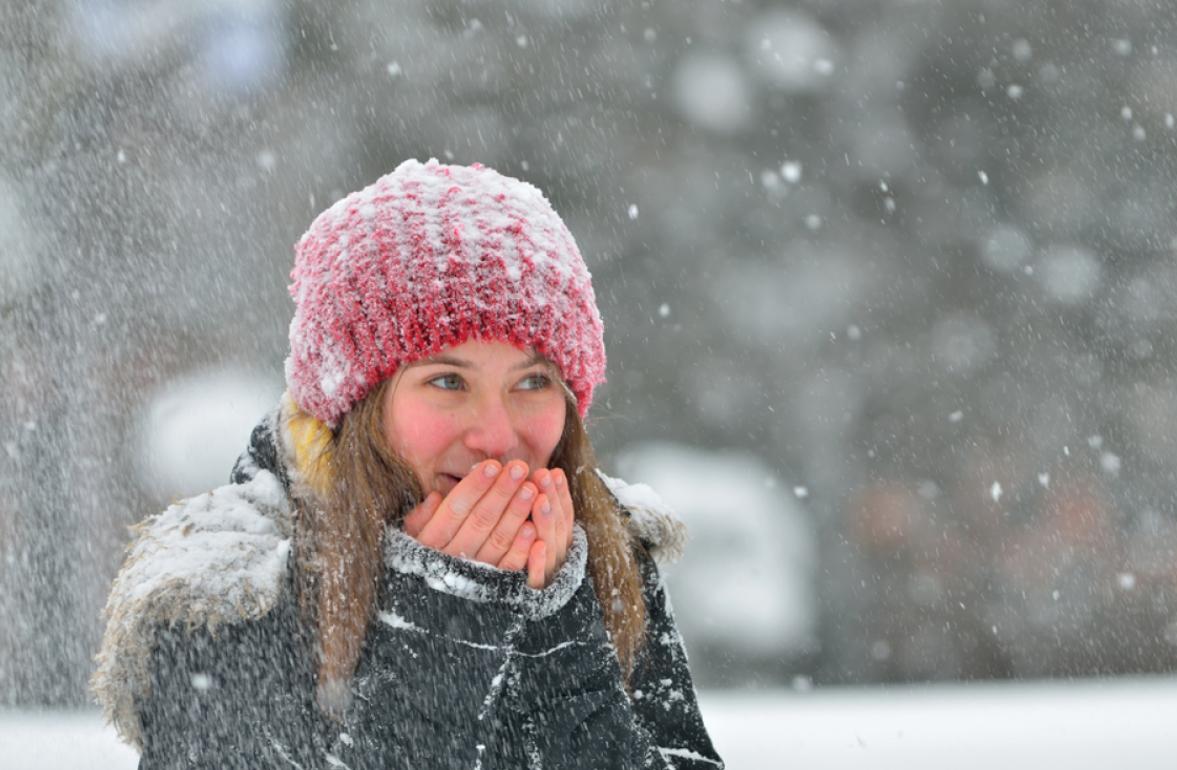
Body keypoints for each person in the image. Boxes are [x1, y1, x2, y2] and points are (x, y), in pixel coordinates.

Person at [91, 159, 724, 769]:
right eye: (448, 381)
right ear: (356, 405)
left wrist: (561, 631)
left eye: (533, 382)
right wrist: (442, 626)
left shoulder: (602, 551)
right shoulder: (232, 594)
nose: (498, 437)